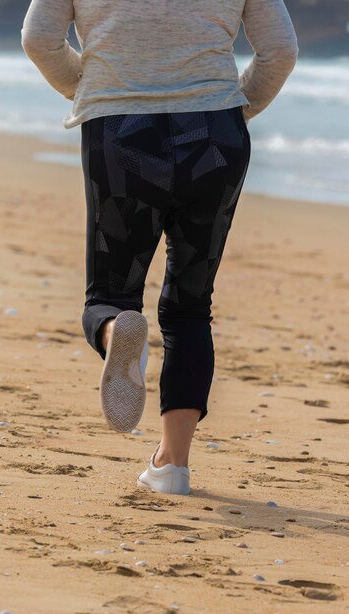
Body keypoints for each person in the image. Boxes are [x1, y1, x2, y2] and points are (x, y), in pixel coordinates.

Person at [21, 0, 298, 495]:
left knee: (109, 294)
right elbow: (279, 50)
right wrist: (234, 108)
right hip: (216, 135)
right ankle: (173, 466)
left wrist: (90, 91)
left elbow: (39, 39)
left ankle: (114, 333)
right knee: (190, 306)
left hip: (122, 132)